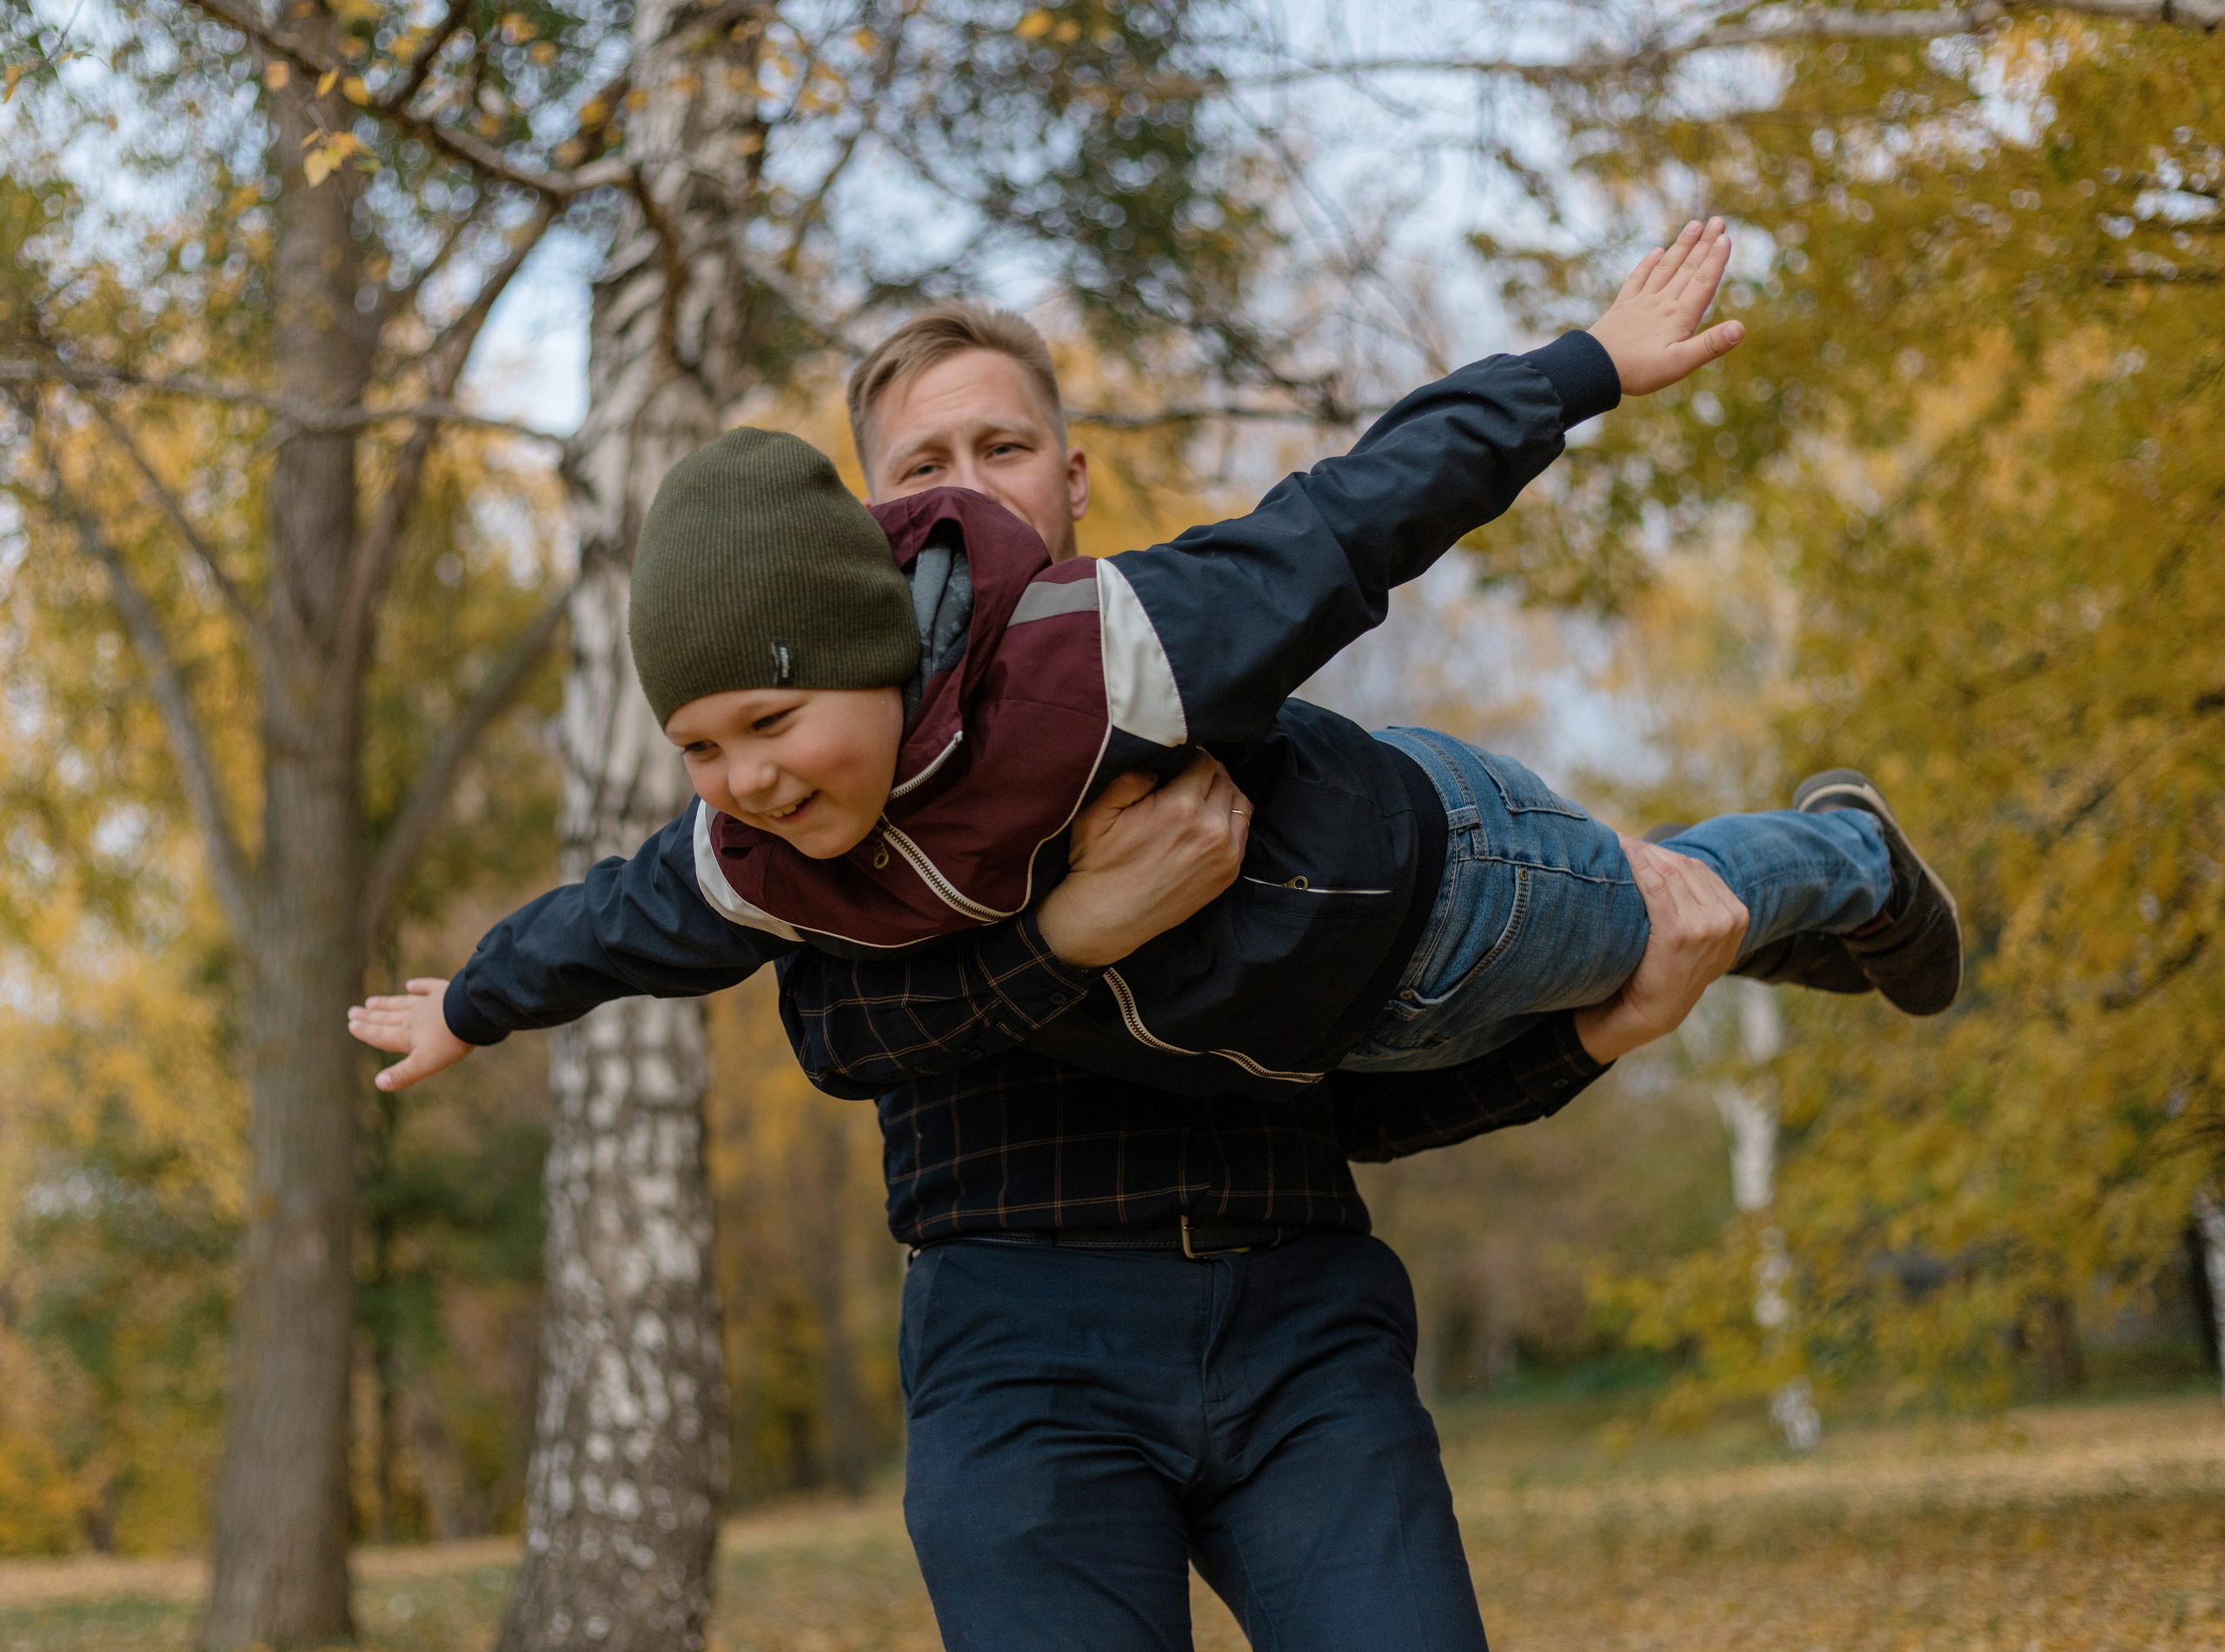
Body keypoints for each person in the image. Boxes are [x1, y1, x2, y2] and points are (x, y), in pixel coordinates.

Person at [345, 254, 1782, 1652]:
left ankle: (1824, 877)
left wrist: (1592, 1039)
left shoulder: (1155, 668)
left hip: (1301, 1320)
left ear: (1073, 476)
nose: (962, 486)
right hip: (1020, 1354)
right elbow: (838, 1034)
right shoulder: (823, 820)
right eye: (920, 466)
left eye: (1002, 445)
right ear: (864, 543)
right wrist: (1068, 936)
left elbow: (1357, 525)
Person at [349, 219, 1959, 1110]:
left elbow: (1351, 521)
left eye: (766, 723)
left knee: (1678, 903)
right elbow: (631, 921)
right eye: (703, 749)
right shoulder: (765, 847)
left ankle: (1848, 859)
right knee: (1686, 943)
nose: (747, 778)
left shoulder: (1104, 655)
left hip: (1447, 895)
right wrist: (480, 1003)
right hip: (1335, 1040)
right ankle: (1803, 916)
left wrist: (1580, 369)